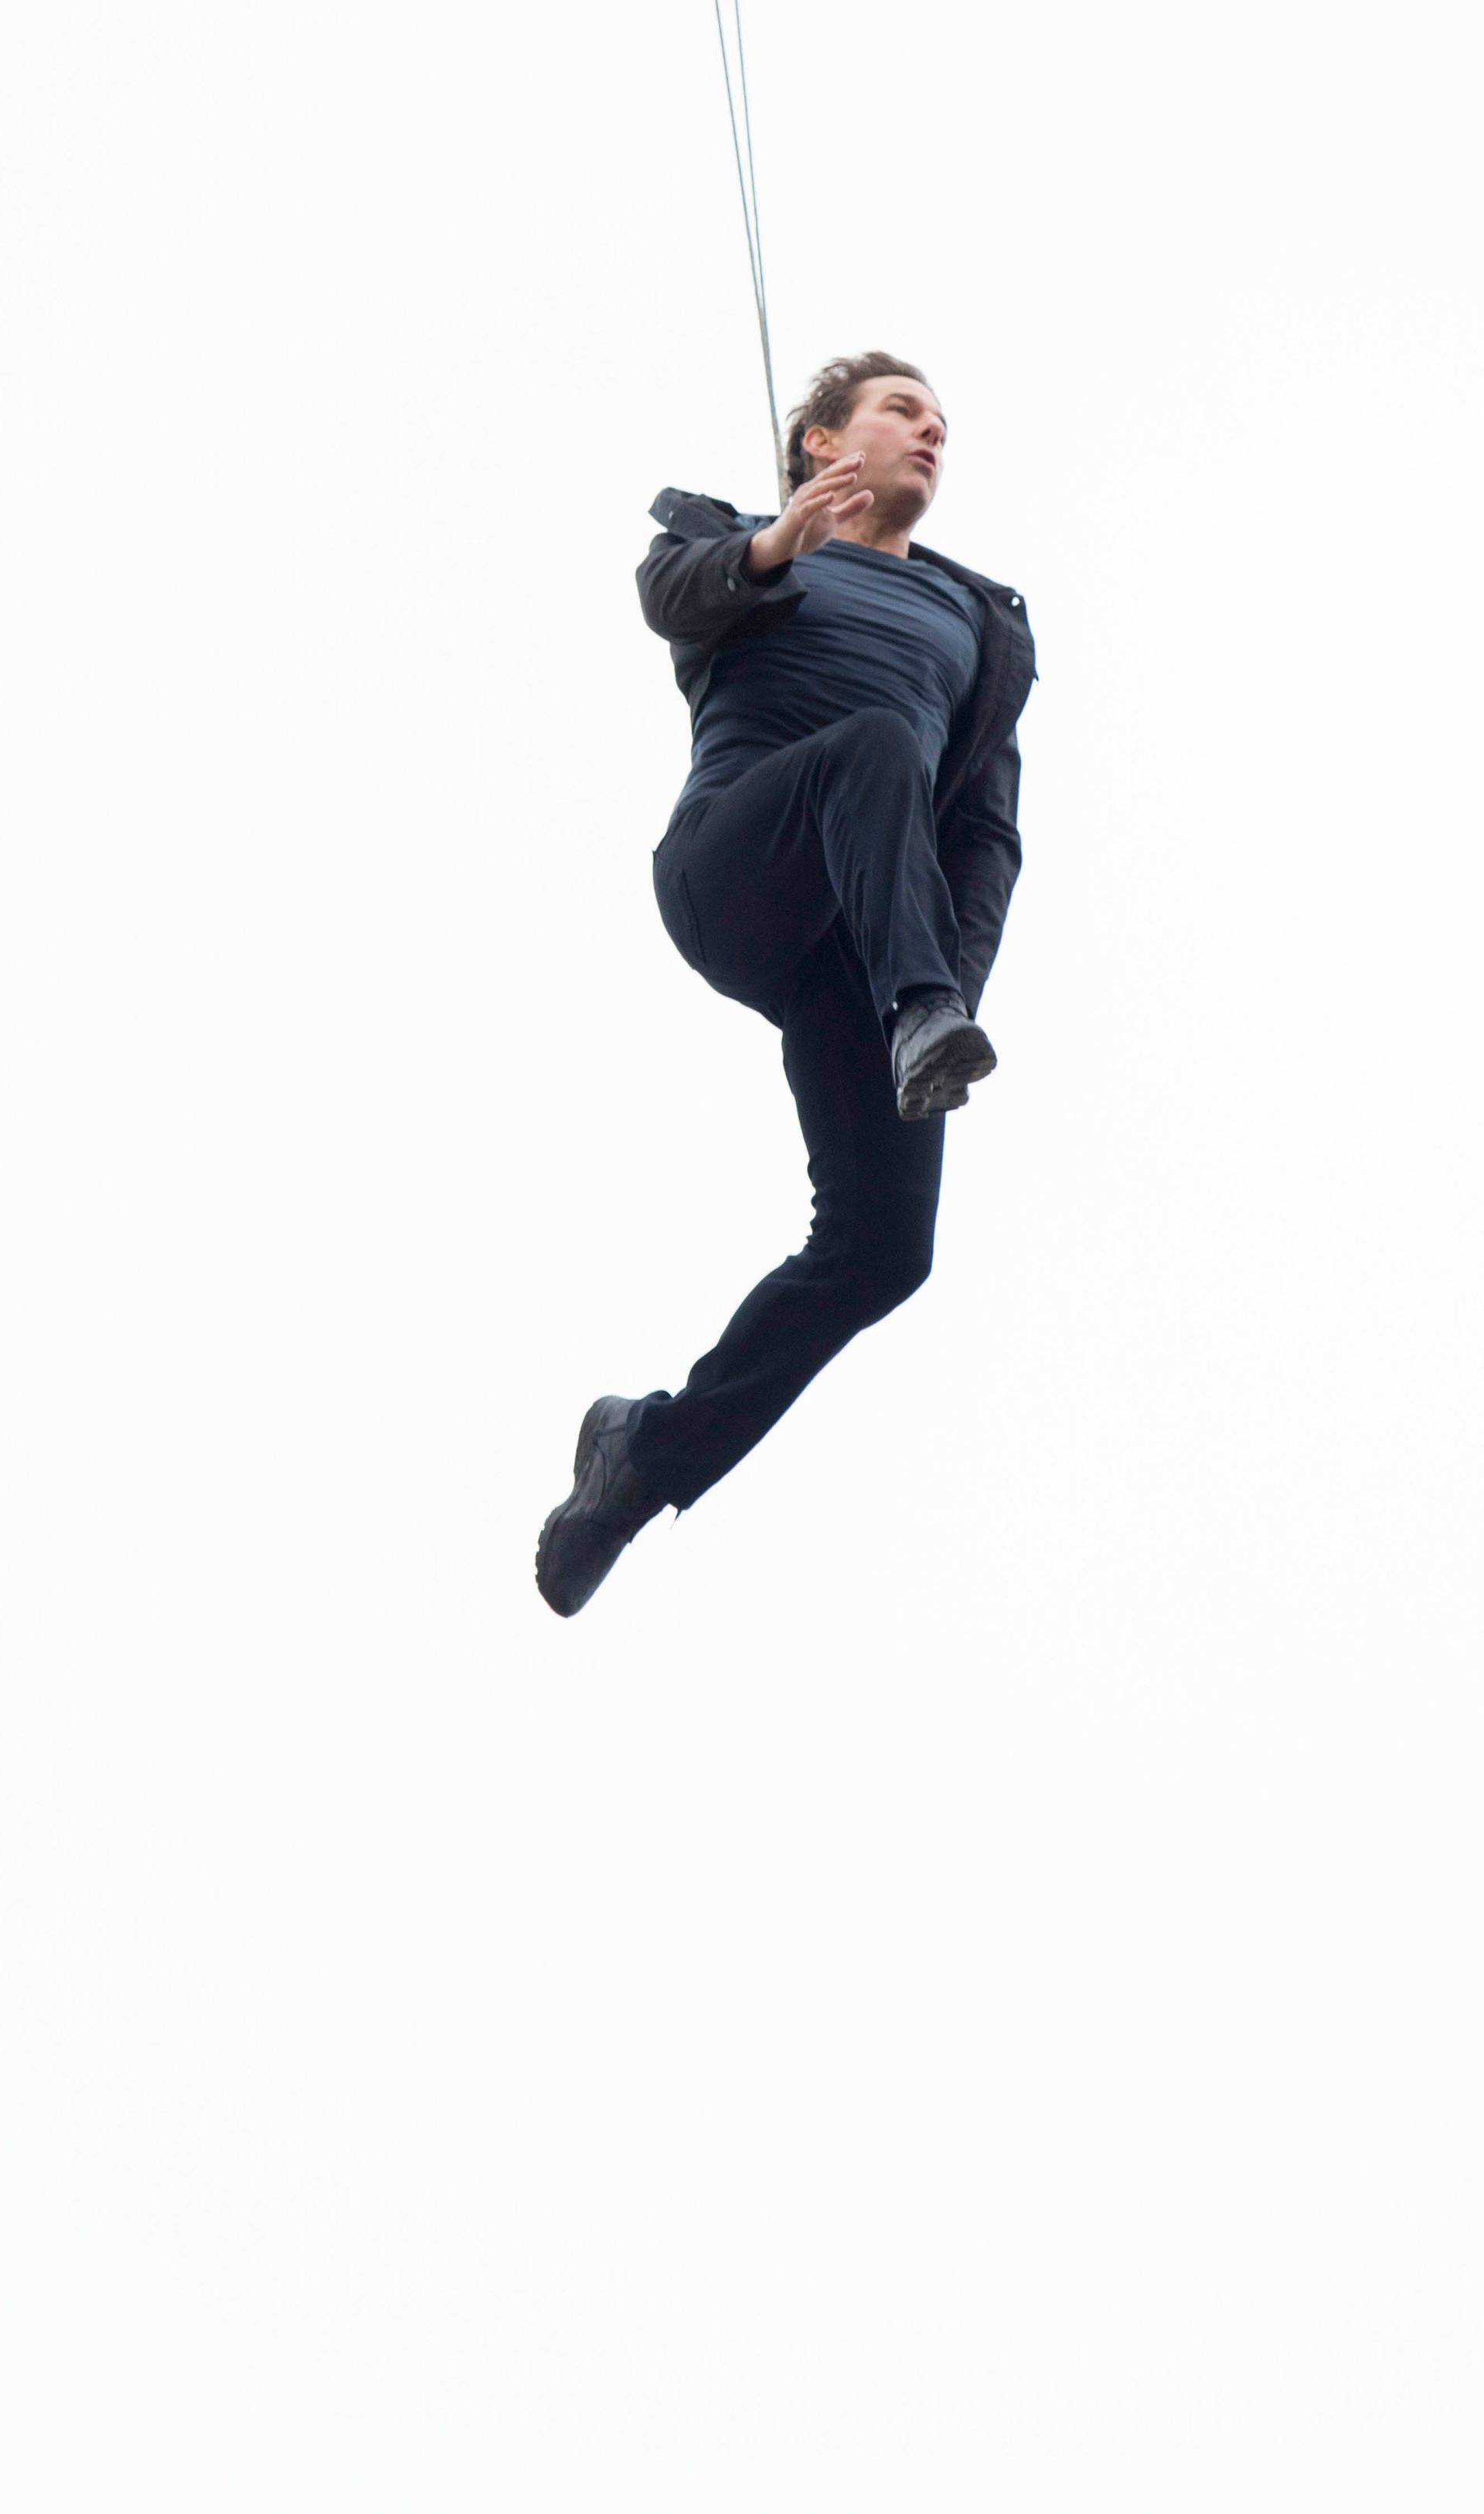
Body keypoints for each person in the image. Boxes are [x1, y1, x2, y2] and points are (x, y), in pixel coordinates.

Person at [536, 352, 1036, 1617]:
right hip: (732, 873)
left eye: (941, 422)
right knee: (866, 746)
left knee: (882, 1250)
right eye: (901, 412)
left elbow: (983, 835)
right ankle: (920, 1014)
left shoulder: (978, 623)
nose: (931, 432)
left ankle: (639, 1464)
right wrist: (770, 551)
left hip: (870, 956)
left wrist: (951, 980)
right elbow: (672, 596)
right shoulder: (744, 543)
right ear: (822, 444)